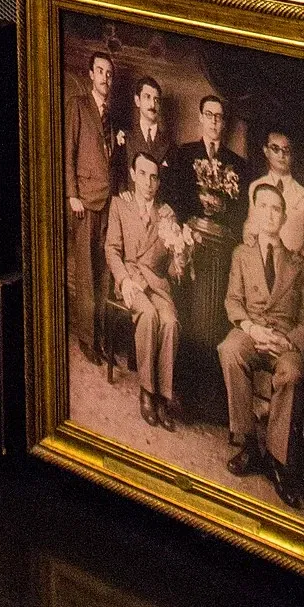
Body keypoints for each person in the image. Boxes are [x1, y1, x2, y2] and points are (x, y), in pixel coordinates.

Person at [218, 181, 304, 503]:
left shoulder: (298, 265)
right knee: (230, 349)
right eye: (264, 208)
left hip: (282, 343)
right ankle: (248, 444)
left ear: (284, 217)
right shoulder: (241, 255)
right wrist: (251, 329)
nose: (270, 214)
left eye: (276, 209)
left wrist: (286, 340)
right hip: (251, 332)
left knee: (293, 372)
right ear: (254, 213)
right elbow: (232, 302)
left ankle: (276, 459)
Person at [104, 150, 180, 430]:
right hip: (131, 280)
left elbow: (171, 267)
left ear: (159, 183)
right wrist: (123, 281)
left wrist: (181, 257)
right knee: (148, 316)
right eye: (143, 174)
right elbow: (112, 250)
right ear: (134, 175)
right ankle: (147, 391)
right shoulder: (119, 205)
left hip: (158, 283)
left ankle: (164, 396)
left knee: (170, 322)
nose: (149, 182)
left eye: (154, 177)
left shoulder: (166, 214)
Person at [65, 47, 115, 365]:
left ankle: (100, 337)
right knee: (85, 274)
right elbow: (67, 151)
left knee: (104, 274)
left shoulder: (111, 115)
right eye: (100, 71)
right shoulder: (78, 105)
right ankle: (87, 340)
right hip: (84, 201)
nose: (105, 78)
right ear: (90, 75)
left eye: (109, 74)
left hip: (108, 202)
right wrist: (72, 194)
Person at [170, 95, 247, 236]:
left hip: (221, 236)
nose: (213, 121)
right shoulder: (184, 153)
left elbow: (240, 208)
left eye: (218, 116)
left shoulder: (237, 163)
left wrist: (222, 206)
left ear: (223, 122)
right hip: (190, 232)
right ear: (201, 117)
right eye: (209, 114)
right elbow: (177, 193)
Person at [242, 130, 304, 269]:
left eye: (286, 150)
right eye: (275, 149)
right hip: (261, 267)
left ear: (292, 154)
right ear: (266, 151)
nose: (281, 155)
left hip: (292, 271)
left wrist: (303, 262)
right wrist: (248, 236)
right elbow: (250, 224)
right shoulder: (255, 187)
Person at [119, 74, 173, 188]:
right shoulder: (125, 137)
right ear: (137, 100)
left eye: (156, 100)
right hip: (131, 202)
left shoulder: (170, 144)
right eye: (147, 97)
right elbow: (118, 174)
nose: (152, 104)